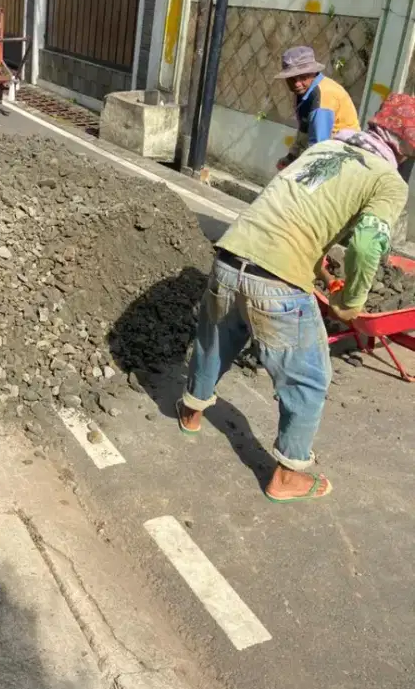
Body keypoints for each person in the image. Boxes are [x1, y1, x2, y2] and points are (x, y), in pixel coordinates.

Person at [176, 93, 415, 504]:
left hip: (231, 258)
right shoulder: (388, 181)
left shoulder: (327, 148)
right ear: (407, 146)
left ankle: (191, 411)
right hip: (277, 283)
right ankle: (287, 476)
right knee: (308, 379)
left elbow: (292, 209)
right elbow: (367, 245)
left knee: (216, 339)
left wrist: (320, 267)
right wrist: (351, 302)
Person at [275, 46, 359, 170]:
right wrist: (292, 156)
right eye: (292, 79)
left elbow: (319, 147)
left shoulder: (323, 97)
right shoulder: (305, 92)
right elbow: (304, 129)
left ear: (313, 73)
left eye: (302, 77)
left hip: (340, 156)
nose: (297, 83)